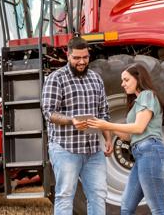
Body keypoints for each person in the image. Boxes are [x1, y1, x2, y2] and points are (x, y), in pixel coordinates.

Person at [87, 63, 164, 215]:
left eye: (126, 80)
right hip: (141, 155)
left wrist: (107, 123)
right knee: (126, 207)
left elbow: (138, 127)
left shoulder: (147, 95)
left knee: (157, 208)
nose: (122, 84)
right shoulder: (136, 103)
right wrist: (104, 127)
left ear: (138, 78)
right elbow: (129, 136)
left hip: (151, 152)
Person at [42, 36, 113, 215]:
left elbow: (103, 113)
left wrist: (108, 139)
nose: (81, 62)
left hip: (93, 150)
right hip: (65, 149)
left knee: (98, 195)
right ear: (68, 56)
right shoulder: (56, 78)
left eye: (85, 57)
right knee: (65, 195)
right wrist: (72, 120)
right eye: (77, 58)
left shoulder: (96, 79)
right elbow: (49, 112)